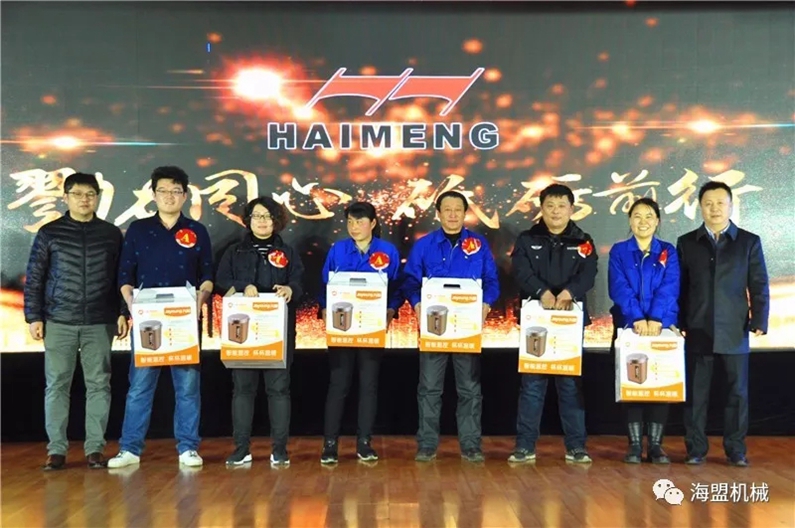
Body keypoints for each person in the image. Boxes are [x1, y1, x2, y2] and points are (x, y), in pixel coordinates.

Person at [107, 166, 214, 469]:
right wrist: (131, 304)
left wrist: (201, 299)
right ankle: (130, 449)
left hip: (184, 320)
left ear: (185, 195)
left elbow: (207, 274)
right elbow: (125, 274)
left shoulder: (197, 230)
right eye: (163, 191)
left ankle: (188, 448)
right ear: (153, 194)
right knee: (140, 386)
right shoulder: (139, 229)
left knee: (188, 387)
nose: (170, 196)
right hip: (147, 319)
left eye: (176, 191)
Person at [23, 172, 129, 470]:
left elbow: (122, 277)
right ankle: (56, 450)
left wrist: (123, 311)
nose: (85, 199)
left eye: (90, 194)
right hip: (59, 320)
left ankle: (95, 449)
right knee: (57, 385)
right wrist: (34, 316)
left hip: (100, 319)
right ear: (66, 197)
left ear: (97, 197)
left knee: (99, 384)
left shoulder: (110, 234)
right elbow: (35, 277)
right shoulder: (50, 233)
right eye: (78, 194)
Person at [402, 190, 499, 463]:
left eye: (458, 209)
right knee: (429, 388)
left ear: (465, 213)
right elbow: (410, 281)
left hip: (466, 327)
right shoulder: (424, 245)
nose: (453, 214)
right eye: (448, 209)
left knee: (469, 389)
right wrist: (417, 304)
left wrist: (487, 304)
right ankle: (427, 444)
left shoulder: (478, 244)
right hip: (433, 327)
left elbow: (491, 281)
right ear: (438, 214)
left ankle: (470, 445)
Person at [677, 181, 769, 467]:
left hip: (734, 328)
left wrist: (760, 319)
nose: (714, 208)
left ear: (731, 206)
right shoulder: (687, 242)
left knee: (737, 394)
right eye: (708, 203)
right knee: (696, 396)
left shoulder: (748, 242)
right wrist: (678, 321)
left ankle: (736, 450)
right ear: (700, 207)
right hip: (697, 327)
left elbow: (759, 284)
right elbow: (680, 287)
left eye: (720, 203)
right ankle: (695, 449)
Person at [509, 183, 598, 464]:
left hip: (569, 321)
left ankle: (576, 447)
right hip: (536, 320)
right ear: (542, 208)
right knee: (532, 386)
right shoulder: (527, 239)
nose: (556, 211)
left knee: (570, 386)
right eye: (550, 206)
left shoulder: (583, 240)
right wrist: (542, 292)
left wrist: (569, 292)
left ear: (571, 209)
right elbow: (521, 270)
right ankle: (524, 447)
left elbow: (589, 273)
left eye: (561, 206)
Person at [215, 196, 304, 468]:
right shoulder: (234, 251)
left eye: (267, 216)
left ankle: (280, 449)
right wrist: (243, 286)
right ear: (248, 220)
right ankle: (241, 448)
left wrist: (291, 289)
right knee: (243, 390)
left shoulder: (288, 252)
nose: (262, 221)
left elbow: (300, 282)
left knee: (279, 390)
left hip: (277, 332)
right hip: (242, 333)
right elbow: (221, 281)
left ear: (276, 221)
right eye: (257, 216)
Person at [318, 202, 402, 465]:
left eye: (360, 221)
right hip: (342, 328)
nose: (354, 227)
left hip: (372, 328)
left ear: (373, 223)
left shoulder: (388, 251)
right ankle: (330, 444)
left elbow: (397, 287)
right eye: (350, 222)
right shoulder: (338, 250)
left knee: (368, 386)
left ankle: (364, 442)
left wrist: (391, 310)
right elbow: (324, 285)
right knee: (338, 385)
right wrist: (324, 309)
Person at [608, 197, 679, 464]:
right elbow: (619, 287)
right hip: (630, 325)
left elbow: (670, 286)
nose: (643, 221)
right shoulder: (619, 251)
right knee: (633, 382)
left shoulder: (668, 251)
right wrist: (636, 317)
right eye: (637, 216)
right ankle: (635, 445)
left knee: (660, 382)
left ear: (657, 221)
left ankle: (657, 446)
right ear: (630, 220)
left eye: (649, 216)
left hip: (662, 326)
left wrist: (657, 318)